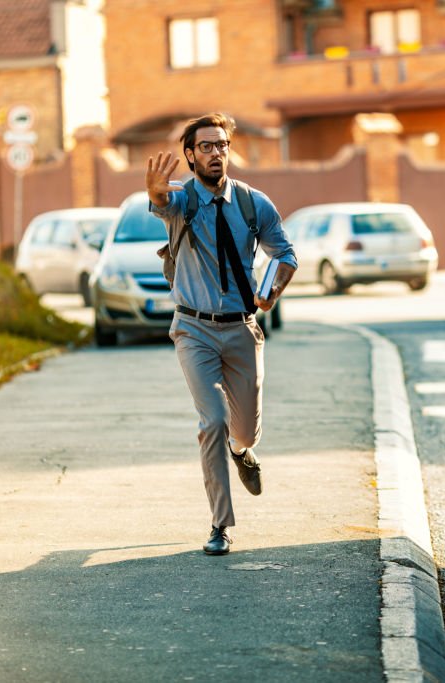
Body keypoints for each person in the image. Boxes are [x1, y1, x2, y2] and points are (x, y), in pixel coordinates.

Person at [145, 113, 297, 556]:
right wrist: (154, 191)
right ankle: (220, 524)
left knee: (245, 430)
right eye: (206, 146)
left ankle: (241, 449)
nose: (216, 153)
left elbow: (284, 252)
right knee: (211, 420)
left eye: (222, 145)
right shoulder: (181, 202)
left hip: (242, 329)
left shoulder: (252, 203)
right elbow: (159, 202)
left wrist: (271, 289)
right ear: (190, 155)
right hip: (193, 329)